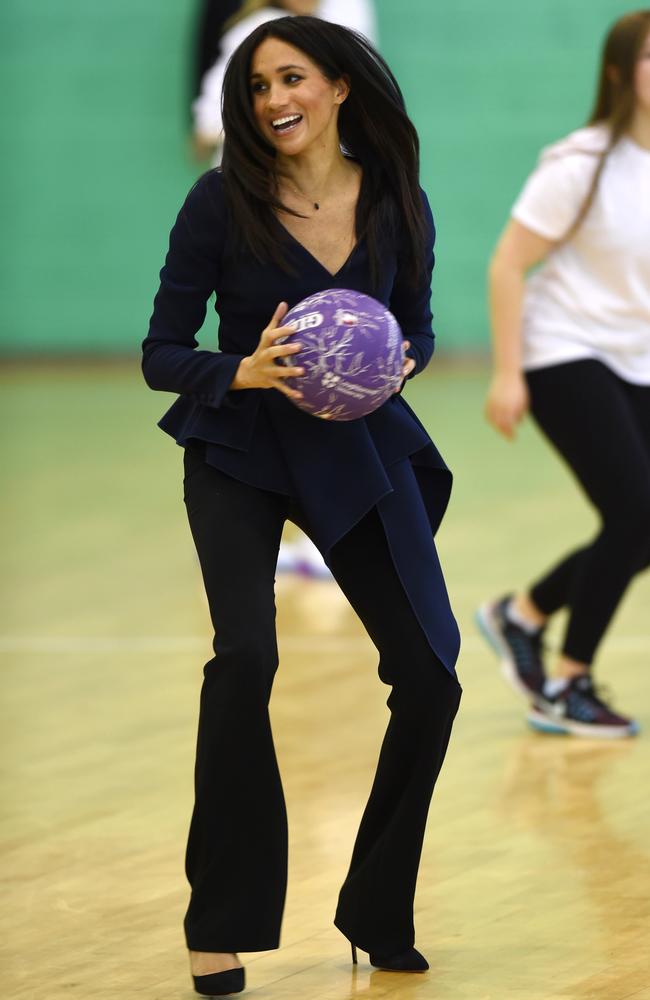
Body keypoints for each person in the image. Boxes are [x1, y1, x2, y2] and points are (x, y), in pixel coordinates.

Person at [143, 15, 461, 997]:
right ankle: (218, 921)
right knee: (245, 653)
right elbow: (161, 354)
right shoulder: (217, 203)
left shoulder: (396, 203)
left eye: (289, 79)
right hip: (238, 450)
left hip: (351, 450)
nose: (272, 101)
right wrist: (242, 368)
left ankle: (375, 906)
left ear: (338, 87)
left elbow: (417, 330)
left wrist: (400, 362)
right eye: (253, 87)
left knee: (431, 675)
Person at [476, 9, 650, 740]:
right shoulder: (581, 163)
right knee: (636, 512)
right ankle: (567, 680)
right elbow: (508, 263)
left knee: (644, 525)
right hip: (562, 348)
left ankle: (522, 615)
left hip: (636, 354)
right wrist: (508, 373)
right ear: (619, 74)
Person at [192, 0, 377, 163]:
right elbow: (209, 117)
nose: (276, 100)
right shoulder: (255, 31)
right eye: (260, 87)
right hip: (252, 179)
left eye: (293, 78)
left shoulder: (324, 31)